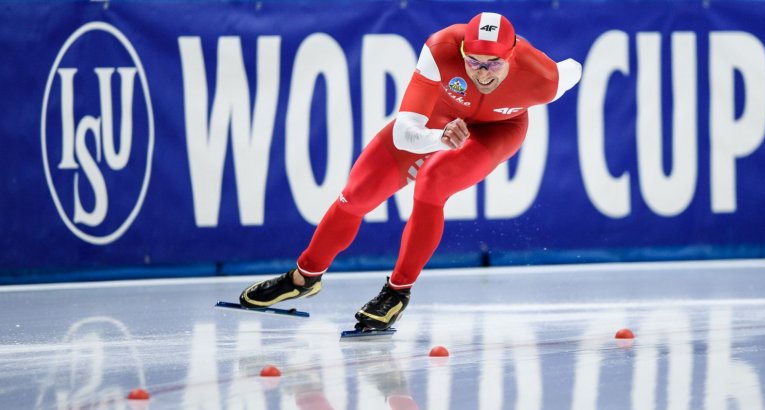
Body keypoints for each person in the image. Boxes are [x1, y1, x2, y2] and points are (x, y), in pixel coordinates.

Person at [239, 12, 582, 330]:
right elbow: (405, 131)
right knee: (356, 194)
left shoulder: (543, 77)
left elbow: (575, 68)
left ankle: (397, 292)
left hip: (499, 130)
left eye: (493, 64)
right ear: (462, 50)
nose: (481, 73)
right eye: (473, 62)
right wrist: (439, 136)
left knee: (432, 184)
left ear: (512, 55)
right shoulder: (441, 48)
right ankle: (303, 278)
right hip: (439, 120)